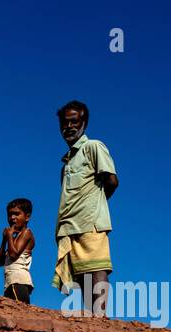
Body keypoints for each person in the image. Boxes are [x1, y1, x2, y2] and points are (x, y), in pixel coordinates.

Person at [52, 100, 118, 317]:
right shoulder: (66, 164)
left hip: (91, 222)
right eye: (65, 123)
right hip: (69, 225)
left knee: (97, 267)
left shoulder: (93, 147)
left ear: (84, 123)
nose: (69, 127)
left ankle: (101, 317)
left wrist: (94, 206)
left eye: (74, 122)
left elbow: (111, 181)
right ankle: (91, 319)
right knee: (81, 273)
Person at [0, 198, 35, 303]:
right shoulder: (12, 239)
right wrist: (4, 240)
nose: (12, 218)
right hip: (9, 282)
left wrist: (9, 236)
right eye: (9, 215)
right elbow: (0, 262)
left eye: (16, 214)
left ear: (27, 217)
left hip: (19, 280)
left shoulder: (26, 233)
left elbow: (13, 256)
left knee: (21, 310)